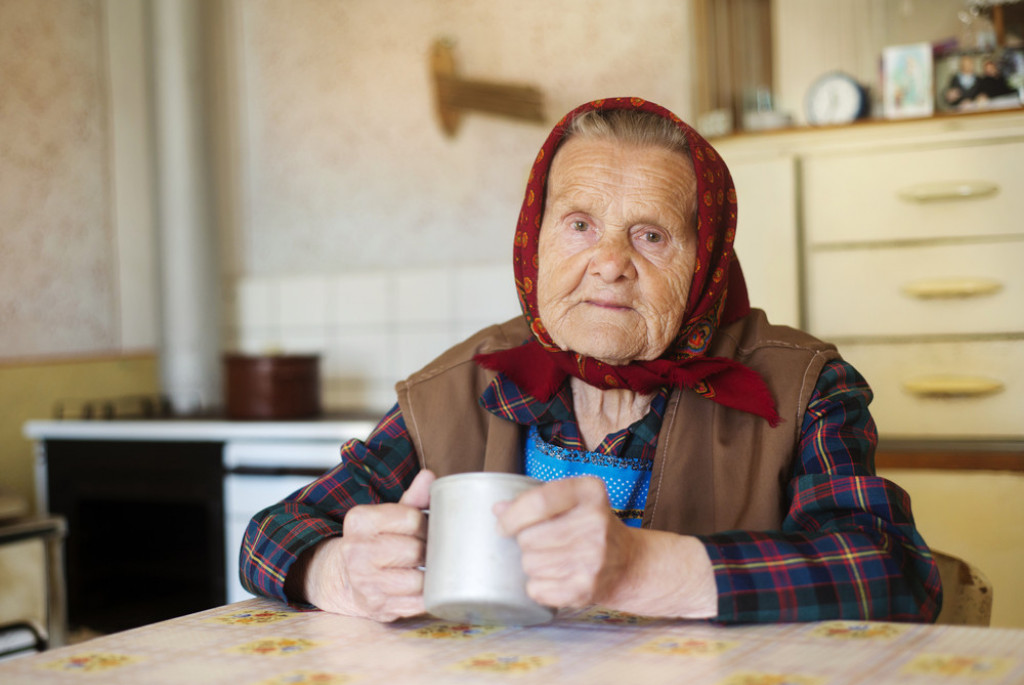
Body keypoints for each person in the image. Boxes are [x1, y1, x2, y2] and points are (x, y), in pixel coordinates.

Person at [240, 97, 941, 624]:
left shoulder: (806, 386)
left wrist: (642, 568)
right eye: (579, 224)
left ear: (708, 266)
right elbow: (270, 534)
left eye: (651, 235)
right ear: (534, 241)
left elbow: (893, 571)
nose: (610, 264)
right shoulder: (464, 381)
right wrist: (339, 570)